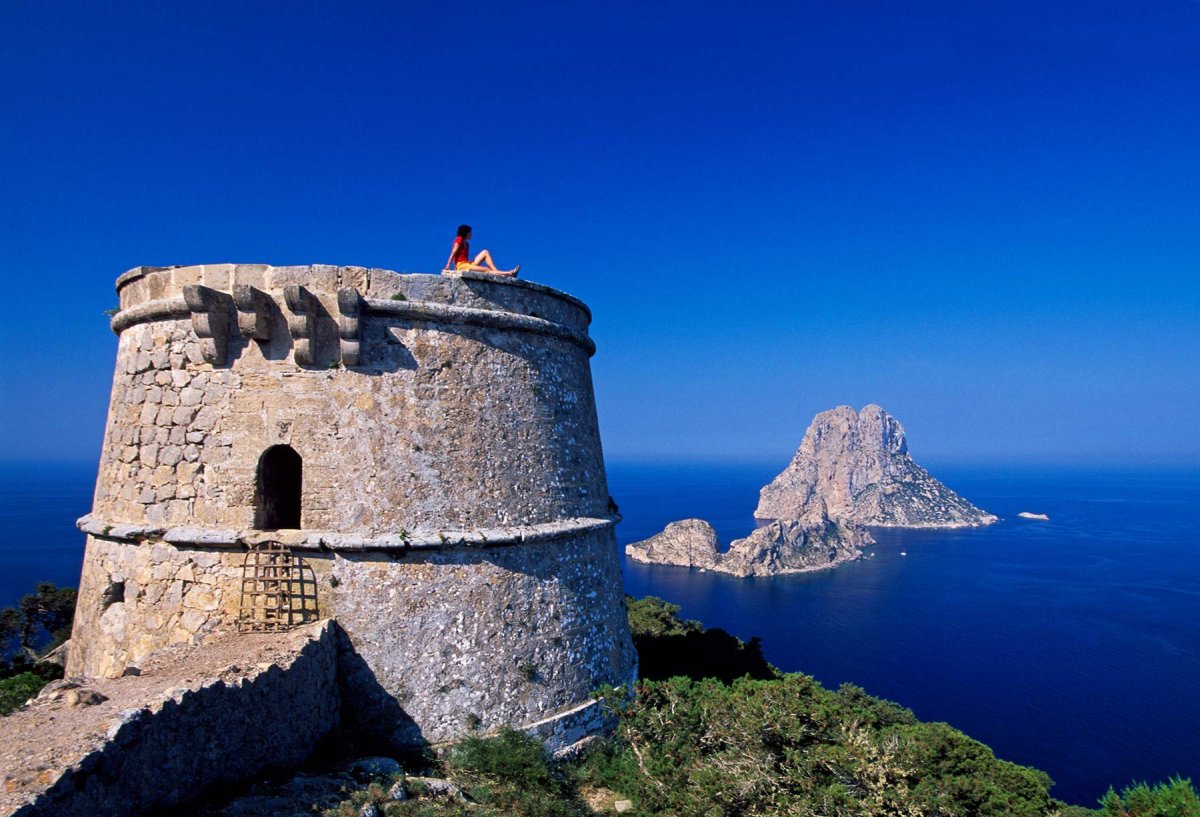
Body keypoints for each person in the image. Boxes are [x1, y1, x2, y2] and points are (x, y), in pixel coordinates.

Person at [444, 225, 520, 276]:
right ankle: (509, 273)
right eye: (470, 233)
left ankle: (497, 271)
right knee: (486, 269)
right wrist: (448, 265)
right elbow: (453, 253)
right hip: (461, 266)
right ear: (466, 233)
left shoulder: (467, 244)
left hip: (467, 264)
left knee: (485, 252)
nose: (471, 235)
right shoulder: (459, 239)